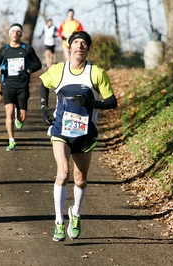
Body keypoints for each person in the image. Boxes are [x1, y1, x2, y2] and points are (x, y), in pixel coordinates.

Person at [39, 31, 118, 241]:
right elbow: (43, 84)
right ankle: (58, 221)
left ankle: (76, 212)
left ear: (87, 49)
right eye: (76, 43)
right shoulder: (58, 70)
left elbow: (112, 101)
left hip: (85, 133)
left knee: (80, 180)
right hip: (60, 131)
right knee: (63, 174)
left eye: (84, 44)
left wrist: (94, 104)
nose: (80, 46)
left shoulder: (96, 73)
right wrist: (44, 108)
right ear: (70, 47)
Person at [0, 23, 42, 151]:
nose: (15, 33)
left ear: (21, 34)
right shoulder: (4, 50)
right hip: (7, 84)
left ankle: (18, 117)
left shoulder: (27, 49)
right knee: (9, 112)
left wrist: (28, 71)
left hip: (22, 86)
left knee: (22, 117)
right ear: (9, 34)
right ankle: (11, 140)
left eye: (18, 31)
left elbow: (38, 64)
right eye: (13, 31)